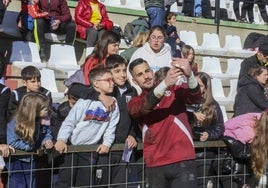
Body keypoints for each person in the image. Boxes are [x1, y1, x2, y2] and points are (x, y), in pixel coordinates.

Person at [127, 58, 202, 188]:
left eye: (147, 71)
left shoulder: (173, 90)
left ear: (152, 71)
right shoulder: (134, 102)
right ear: (134, 81)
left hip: (182, 159)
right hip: (155, 163)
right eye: (140, 75)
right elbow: (146, 104)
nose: (146, 76)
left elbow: (195, 97)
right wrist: (164, 83)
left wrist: (190, 75)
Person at [54, 67, 120, 187]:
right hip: (71, 149)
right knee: (65, 181)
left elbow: (111, 126)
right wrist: (61, 139)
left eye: (112, 80)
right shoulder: (84, 101)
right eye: (108, 80)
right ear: (96, 83)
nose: (112, 83)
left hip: (90, 150)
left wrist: (107, 143)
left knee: (84, 183)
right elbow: (70, 122)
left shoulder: (113, 102)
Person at [84, 54, 139, 187]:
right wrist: (100, 96)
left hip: (123, 149)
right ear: (108, 73)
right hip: (103, 149)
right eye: (117, 71)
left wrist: (132, 134)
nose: (123, 75)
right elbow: (75, 89)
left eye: (124, 70)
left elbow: (136, 118)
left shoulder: (132, 92)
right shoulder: (103, 90)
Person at [6, 92, 54, 188]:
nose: (47, 110)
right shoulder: (16, 122)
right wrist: (31, 146)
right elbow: (11, 141)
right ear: (34, 109)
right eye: (45, 108)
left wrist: (47, 141)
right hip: (16, 160)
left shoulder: (43, 120)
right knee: (19, 184)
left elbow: (46, 133)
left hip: (31, 159)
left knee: (31, 183)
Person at [187, 72, 224, 187]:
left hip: (203, 154)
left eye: (201, 85)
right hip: (185, 150)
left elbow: (219, 128)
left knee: (200, 183)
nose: (197, 88)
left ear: (206, 88)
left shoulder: (213, 105)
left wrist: (209, 134)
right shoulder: (185, 103)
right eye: (194, 84)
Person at [223, 112, 268, 187]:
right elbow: (225, 134)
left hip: (245, 155)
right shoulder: (248, 132)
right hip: (229, 158)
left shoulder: (260, 119)